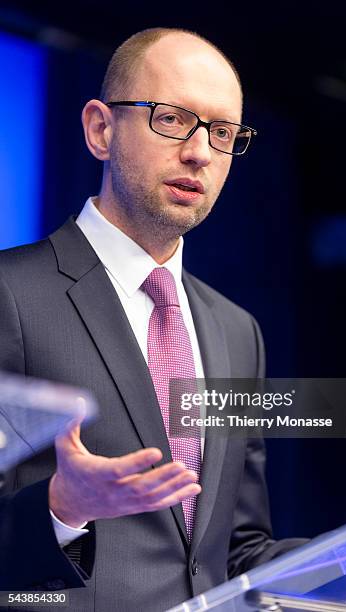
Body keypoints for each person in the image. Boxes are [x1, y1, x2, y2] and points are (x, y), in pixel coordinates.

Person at [0, 28, 307, 611]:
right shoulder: (9, 294)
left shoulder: (238, 332)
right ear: (100, 129)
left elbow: (234, 552)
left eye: (222, 133)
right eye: (172, 118)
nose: (200, 152)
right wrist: (63, 509)